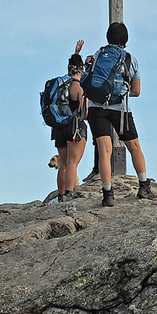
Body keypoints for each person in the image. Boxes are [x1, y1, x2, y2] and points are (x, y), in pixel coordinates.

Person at [82, 23, 157, 207]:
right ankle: (143, 186)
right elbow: (137, 91)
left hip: (96, 108)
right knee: (134, 146)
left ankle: (108, 194)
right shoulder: (131, 59)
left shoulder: (97, 55)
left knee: (104, 151)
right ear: (126, 39)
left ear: (108, 37)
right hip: (119, 108)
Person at [49, 44, 91, 200]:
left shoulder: (61, 84)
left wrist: (76, 53)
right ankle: (69, 192)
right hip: (74, 127)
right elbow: (85, 112)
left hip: (58, 127)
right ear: (82, 70)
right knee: (73, 163)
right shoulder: (79, 87)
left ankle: (60, 195)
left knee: (63, 164)